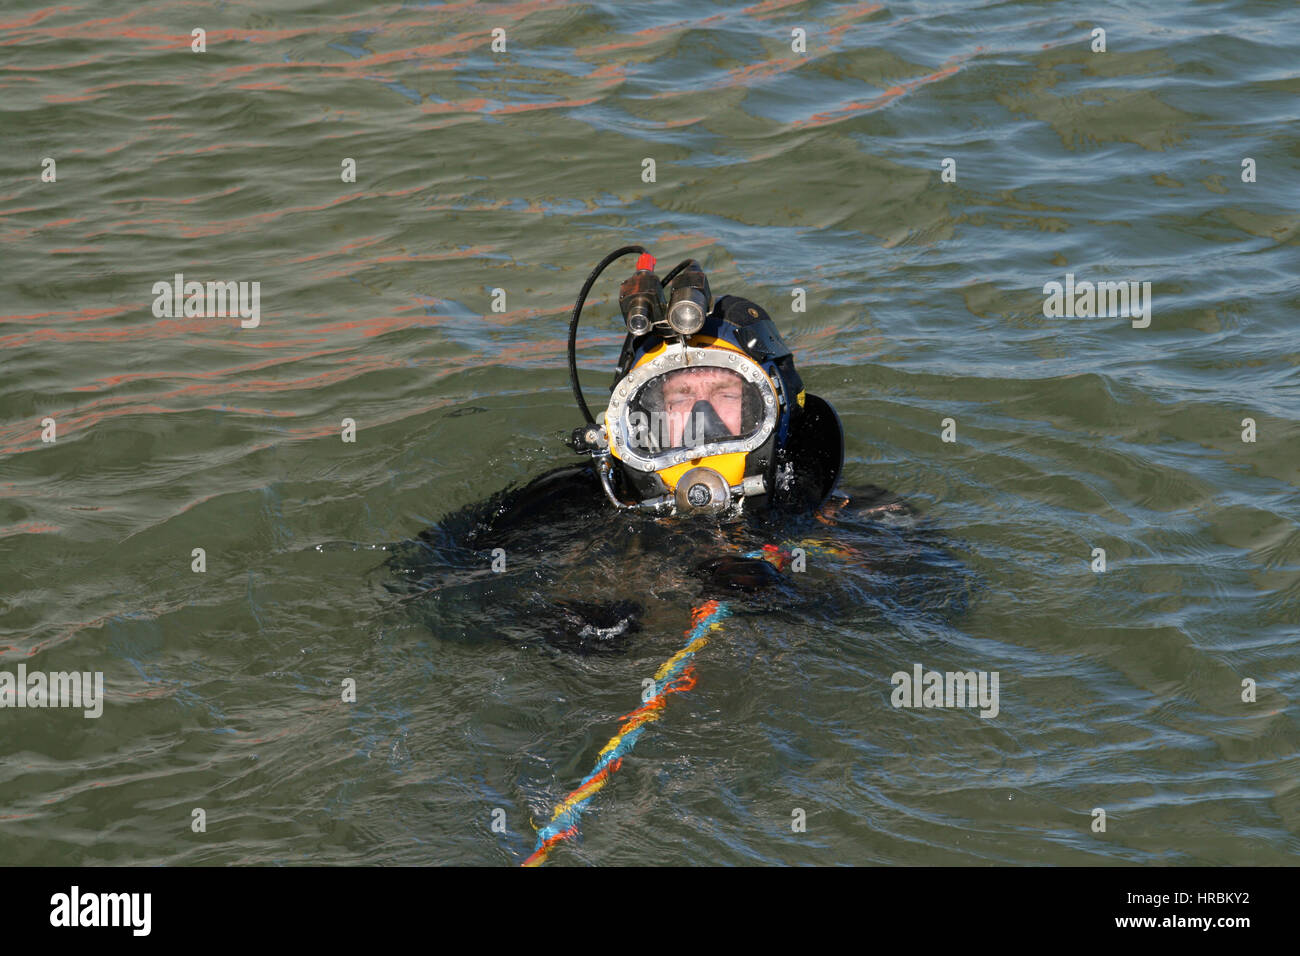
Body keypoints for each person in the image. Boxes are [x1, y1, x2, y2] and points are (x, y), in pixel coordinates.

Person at [383, 252, 919, 651]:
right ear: (633, 416)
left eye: (726, 396)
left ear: (773, 407)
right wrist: (553, 625)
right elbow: (428, 580)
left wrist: (789, 598)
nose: (701, 421)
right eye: (681, 397)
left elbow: (923, 606)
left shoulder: (835, 513)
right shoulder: (590, 505)